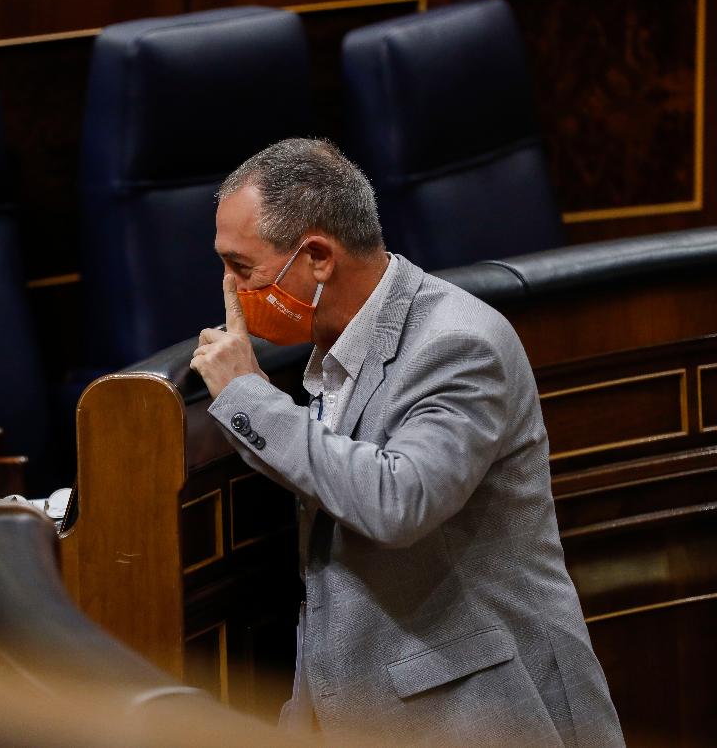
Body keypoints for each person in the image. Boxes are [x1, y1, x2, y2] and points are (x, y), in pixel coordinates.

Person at [190, 138, 622, 746]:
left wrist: (247, 396)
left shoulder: (459, 344)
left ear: (316, 257)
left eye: (243, 267)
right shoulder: (331, 351)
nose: (231, 290)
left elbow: (398, 501)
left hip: (489, 716)